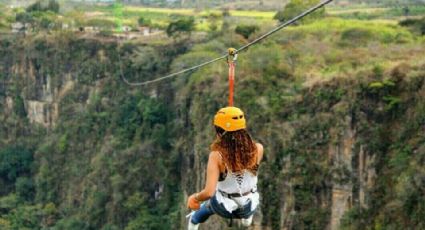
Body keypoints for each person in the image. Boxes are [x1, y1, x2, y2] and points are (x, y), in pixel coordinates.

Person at [186, 107, 264, 229]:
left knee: (204, 210)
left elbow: (208, 192)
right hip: (249, 205)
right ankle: (246, 218)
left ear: (219, 132)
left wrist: (194, 198)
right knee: (247, 204)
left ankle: (194, 221)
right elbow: (242, 162)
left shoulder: (217, 156)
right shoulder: (258, 149)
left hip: (223, 207)